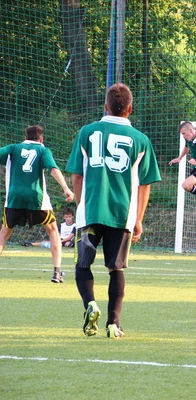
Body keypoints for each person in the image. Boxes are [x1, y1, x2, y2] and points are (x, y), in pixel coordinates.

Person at [66, 83, 161, 339]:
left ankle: (90, 305)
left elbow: (76, 174)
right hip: (122, 215)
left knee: (82, 264)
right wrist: (138, 219)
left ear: (105, 106)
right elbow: (144, 185)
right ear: (130, 108)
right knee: (115, 269)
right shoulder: (141, 140)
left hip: (90, 210)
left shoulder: (87, 132)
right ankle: (113, 324)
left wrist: (81, 205)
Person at [0, 125, 75, 283]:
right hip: (37, 199)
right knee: (53, 230)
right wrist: (67, 189)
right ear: (41, 139)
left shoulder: (12, 148)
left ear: (25, 137)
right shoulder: (43, 150)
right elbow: (53, 169)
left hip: (14, 198)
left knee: (3, 235)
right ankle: (57, 272)